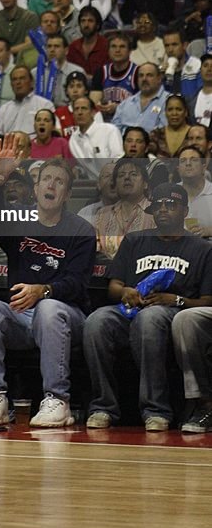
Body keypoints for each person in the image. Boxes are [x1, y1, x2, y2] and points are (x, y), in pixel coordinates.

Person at [0, 140, 96, 428]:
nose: (51, 185)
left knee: (49, 308)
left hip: (68, 316)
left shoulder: (81, 229)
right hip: (22, 316)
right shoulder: (20, 220)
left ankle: (57, 399)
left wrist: (43, 291)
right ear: (37, 186)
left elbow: (78, 284)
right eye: (46, 179)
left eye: (59, 181)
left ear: (66, 194)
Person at [83, 183, 212, 431]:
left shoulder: (201, 249)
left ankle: (156, 409)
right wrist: (125, 292)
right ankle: (103, 406)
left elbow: (207, 301)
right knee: (96, 321)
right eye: (159, 205)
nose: (163, 210)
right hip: (130, 309)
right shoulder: (134, 241)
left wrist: (174, 300)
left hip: (171, 313)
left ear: (185, 211)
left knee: (150, 319)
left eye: (171, 205)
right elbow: (113, 287)